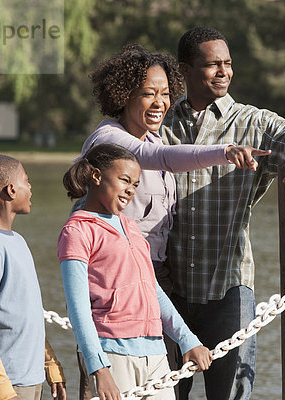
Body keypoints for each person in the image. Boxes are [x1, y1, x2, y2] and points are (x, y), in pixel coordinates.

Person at [77, 44, 269, 398]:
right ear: (123, 96)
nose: (159, 103)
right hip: (114, 284)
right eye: (148, 94)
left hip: (158, 279)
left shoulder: (152, 135)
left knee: (158, 381)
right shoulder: (110, 140)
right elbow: (161, 157)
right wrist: (224, 152)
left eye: (165, 94)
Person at [159, 27, 285, 400]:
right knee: (163, 394)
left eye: (228, 63)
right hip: (168, 289)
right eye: (212, 65)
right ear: (185, 71)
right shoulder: (162, 126)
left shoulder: (252, 123)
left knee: (233, 396)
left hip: (229, 288)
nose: (224, 72)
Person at [58, 143, 214, 400]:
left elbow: (155, 292)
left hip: (155, 352)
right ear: (97, 176)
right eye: (124, 180)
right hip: (113, 355)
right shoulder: (77, 231)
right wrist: (99, 368)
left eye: (135, 184)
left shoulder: (131, 228)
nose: (131, 189)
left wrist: (188, 340)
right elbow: (78, 309)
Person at [0, 155, 66, 400]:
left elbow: (27, 315)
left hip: (29, 380)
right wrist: (1, 390)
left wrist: (50, 364)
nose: (30, 188)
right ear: (10, 190)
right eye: (26, 182)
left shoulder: (16, 241)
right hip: (7, 387)